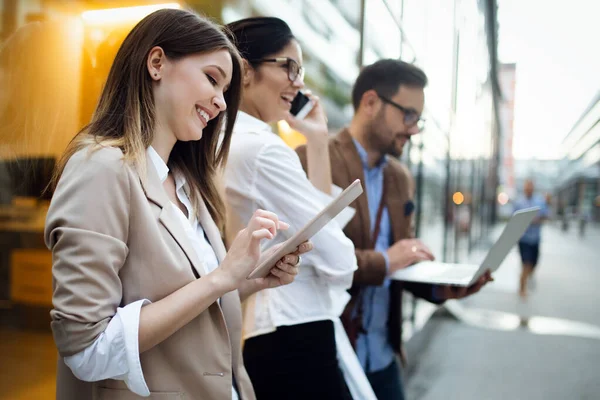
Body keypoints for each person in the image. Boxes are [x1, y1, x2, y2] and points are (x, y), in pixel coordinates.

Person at [44, 9, 311, 400]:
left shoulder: (188, 185)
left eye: (225, 92)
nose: (221, 103)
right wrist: (220, 278)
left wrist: (245, 280)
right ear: (157, 64)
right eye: (212, 79)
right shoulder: (101, 168)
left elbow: (188, 301)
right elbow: (87, 349)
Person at [296, 59, 492, 400]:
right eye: (408, 115)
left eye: (418, 119)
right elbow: (306, 258)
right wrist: (385, 261)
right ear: (371, 103)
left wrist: (444, 289)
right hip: (332, 356)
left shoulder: (401, 178)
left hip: (384, 359)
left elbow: (402, 266)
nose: (414, 129)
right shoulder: (311, 158)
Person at [223, 17, 376, 400]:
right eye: (288, 67)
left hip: (268, 327)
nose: (299, 82)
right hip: (293, 329)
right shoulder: (262, 148)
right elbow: (340, 258)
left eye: (300, 70)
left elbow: (316, 218)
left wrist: (317, 141)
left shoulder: (225, 139)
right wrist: (334, 259)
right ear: (244, 69)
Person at [514, 179, 548, 298]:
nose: (528, 189)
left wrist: (537, 220)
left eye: (530, 187)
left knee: (533, 264)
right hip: (524, 239)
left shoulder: (539, 201)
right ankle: (522, 289)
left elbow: (546, 216)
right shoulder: (519, 202)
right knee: (525, 264)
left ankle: (529, 276)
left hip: (535, 239)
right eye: (526, 187)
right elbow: (514, 220)